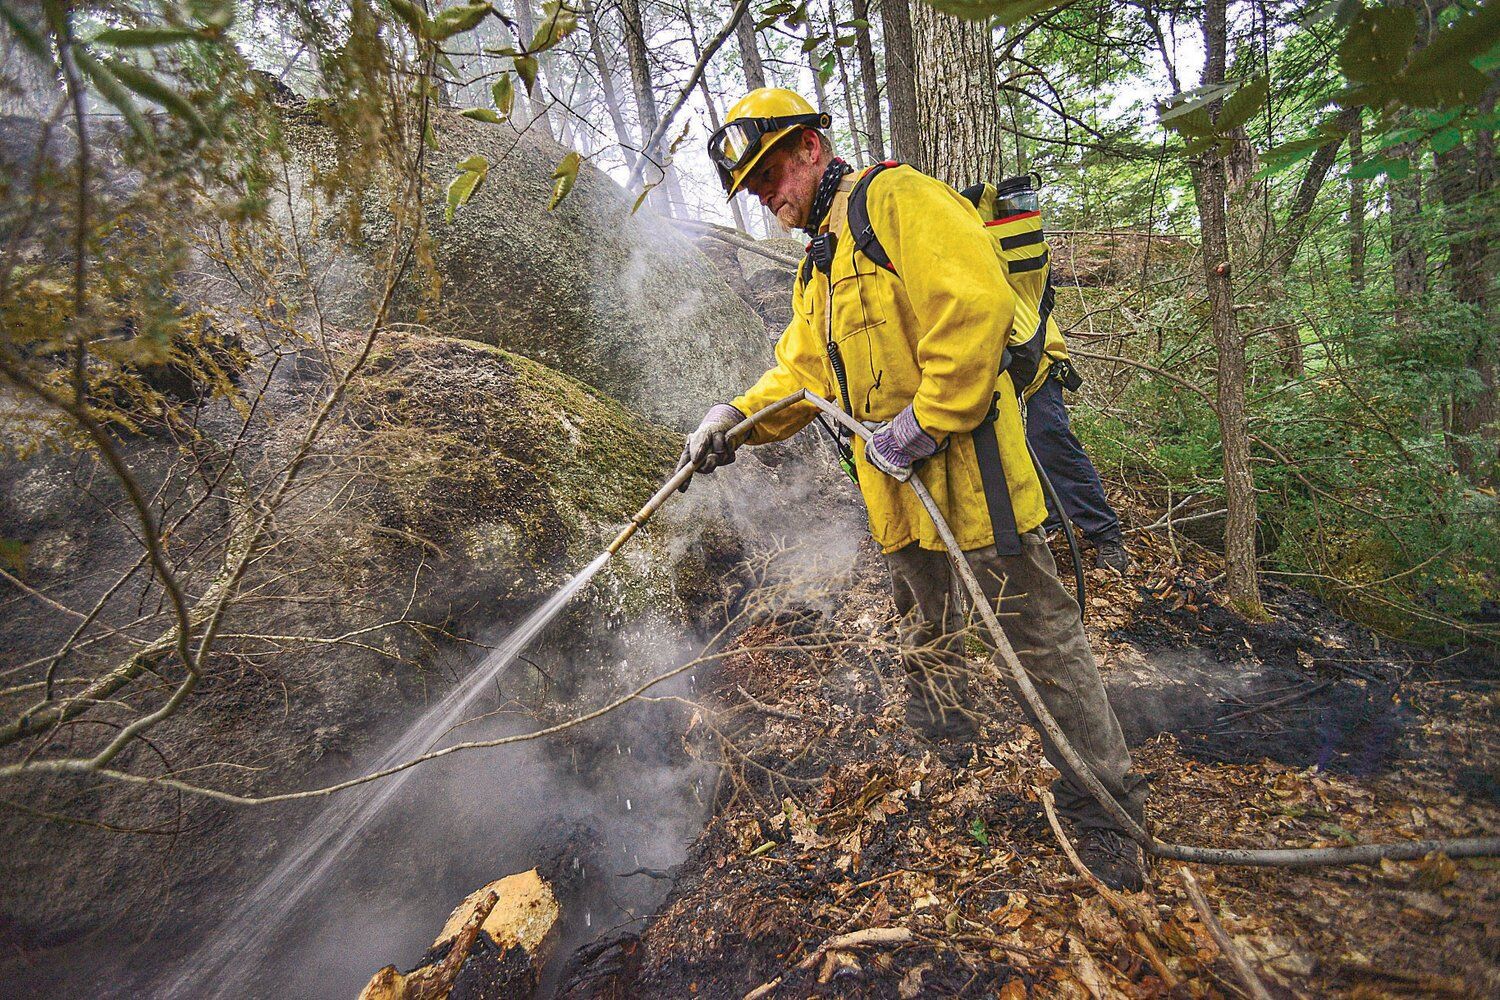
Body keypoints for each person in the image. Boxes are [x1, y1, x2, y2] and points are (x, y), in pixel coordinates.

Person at [679, 88, 1149, 891]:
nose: (766, 197)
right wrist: (734, 418)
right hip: (898, 500)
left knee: (1038, 636)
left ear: (810, 149)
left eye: (770, 177)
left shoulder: (895, 202)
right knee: (924, 627)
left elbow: (977, 307)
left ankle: (1108, 813)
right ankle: (949, 754)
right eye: (753, 191)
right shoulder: (820, 263)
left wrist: (925, 423)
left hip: (977, 485)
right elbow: (801, 373)